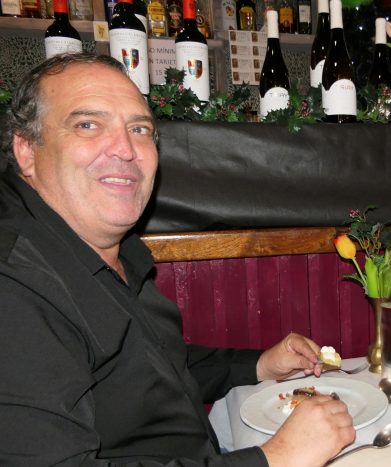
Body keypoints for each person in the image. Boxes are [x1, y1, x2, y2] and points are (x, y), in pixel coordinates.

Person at [0, 53, 355, 466]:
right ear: (26, 150)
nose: (125, 149)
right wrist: (275, 460)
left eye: (139, 129)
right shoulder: (16, 284)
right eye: (88, 125)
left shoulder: (106, 247)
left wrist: (259, 365)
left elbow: (155, 371)